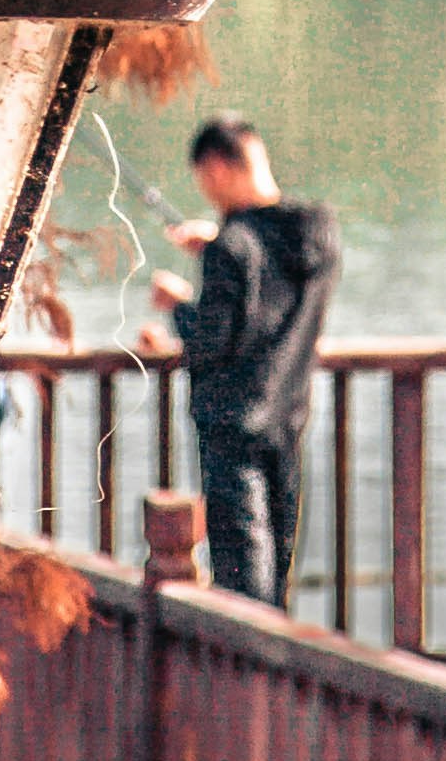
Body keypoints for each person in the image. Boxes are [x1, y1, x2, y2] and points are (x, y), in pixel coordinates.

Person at [145, 114, 340, 607]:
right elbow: (267, 299)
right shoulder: (319, 237)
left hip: (232, 428)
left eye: (205, 180)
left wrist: (177, 307)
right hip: (288, 420)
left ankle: (245, 678)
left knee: (241, 577)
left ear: (217, 168)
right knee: (277, 567)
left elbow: (213, 341)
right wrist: (214, 245)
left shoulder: (232, 247)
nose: (208, 192)